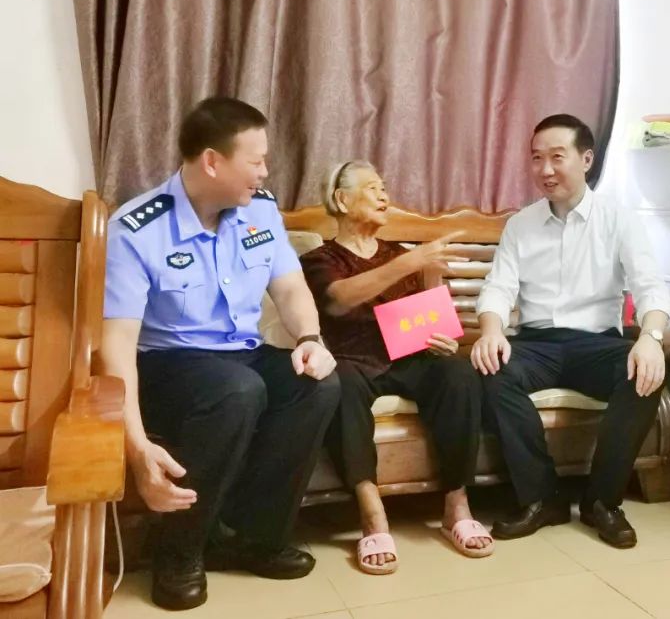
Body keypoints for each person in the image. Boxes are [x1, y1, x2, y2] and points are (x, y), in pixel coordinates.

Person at [101, 98, 340, 611]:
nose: (265, 171)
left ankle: (255, 537)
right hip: (168, 365)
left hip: (240, 357)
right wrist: (136, 448)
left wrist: (311, 340)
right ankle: (177, 549)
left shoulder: (261, 210)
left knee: (315, 384)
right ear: (212, 161)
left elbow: (290, 288)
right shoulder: (137, 229)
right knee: (237, 390)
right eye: (256, 160)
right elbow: (116, 345)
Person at [472, 114, 670, 549]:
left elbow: (651, 288)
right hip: (537, 344)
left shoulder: (619, 219)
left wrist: (650, 338)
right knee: (491, 369)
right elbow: (498, 289)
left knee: (643, 374)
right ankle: (541, 497)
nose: (545, 169)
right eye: (536, 158)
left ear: (586, 159)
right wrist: (491, 332)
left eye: (556, 157)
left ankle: (603, 501)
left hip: (596, 343)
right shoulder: (521, 224)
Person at [300, 160, 493, 574]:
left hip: (408, 358)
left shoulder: (402, 255)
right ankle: (372, 514)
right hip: (353, 361)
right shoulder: (319, 259)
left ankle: (457, 507)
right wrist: (413, 261)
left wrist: (445, 339)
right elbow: (338, 299)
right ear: (342, 200)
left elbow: (433, 319)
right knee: (338, 383)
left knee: (457, 373)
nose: (384, 196)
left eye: (384, 188)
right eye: (373, 188)